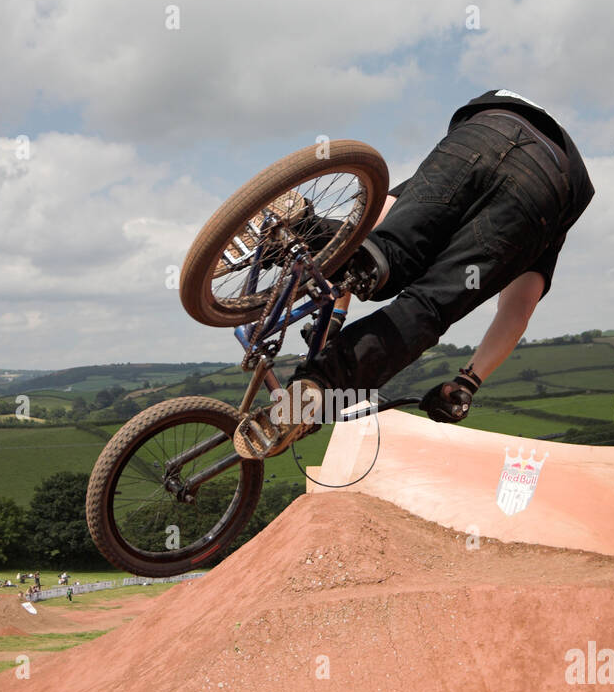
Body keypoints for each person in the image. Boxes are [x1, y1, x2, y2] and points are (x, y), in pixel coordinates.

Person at [233, 89, 595, 458]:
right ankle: (320, 386)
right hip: (544, 187)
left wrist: (338, 313)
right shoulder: (562, 195)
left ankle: (297, 227)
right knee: (428, 304)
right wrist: (468, 381)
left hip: (478, 134)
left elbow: (371, 222)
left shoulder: (492, 119)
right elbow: (519, 308)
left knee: (386, 253)